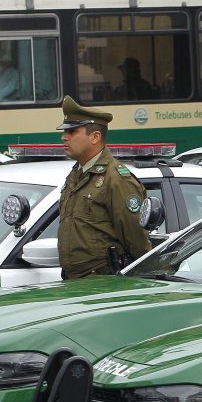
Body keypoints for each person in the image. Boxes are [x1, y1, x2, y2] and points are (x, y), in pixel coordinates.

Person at [56, 95, 152, 279]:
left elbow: (136, 238)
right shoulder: (76, 174)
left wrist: (145, 277)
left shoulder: (116, 178)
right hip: (74, 281)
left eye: (72, 131)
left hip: (102, 283)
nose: (63, 137)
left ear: (95, 137)